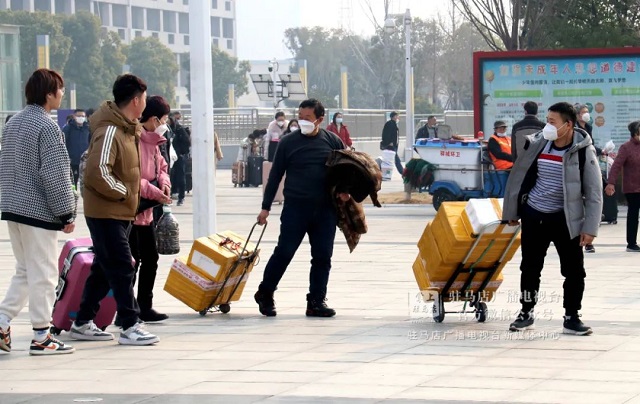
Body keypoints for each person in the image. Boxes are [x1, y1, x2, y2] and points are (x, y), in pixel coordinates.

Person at [69, 74, 160, 346]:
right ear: (136, 100)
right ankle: (131, 324)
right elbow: (98, 172)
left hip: (119, 211)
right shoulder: (110, 130)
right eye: (144, 97)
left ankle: (83, 321)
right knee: (122, 265)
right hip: (106, 210)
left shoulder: (126, 127)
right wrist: (124, 193)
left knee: (104, 267)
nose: (145, 101)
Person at [502, 102, 602, 336]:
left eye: (552, 121)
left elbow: (594, 191)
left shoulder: (583, 149)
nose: (547, 125)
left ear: (568, 125)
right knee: (529, 268)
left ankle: (571, 317)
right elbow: (518, 178)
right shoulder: (537, 144)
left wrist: (590, 228)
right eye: (546, 120)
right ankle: (526, 313)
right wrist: (512, 213)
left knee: (574, 271)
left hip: (566, 220)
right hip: (534, 215)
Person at [0, 68, 77, 355]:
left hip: (12, 208)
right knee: (44, 274)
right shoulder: (47, 127)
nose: (62, 94)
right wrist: (66, 213)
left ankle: (2, 320)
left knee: (24, 270)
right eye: (59, 89)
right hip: (38, 212)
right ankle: (41, 336)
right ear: (48, 94)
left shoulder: (13, 123)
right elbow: (55, 175)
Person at [254, 98, 348, 318]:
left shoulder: (332, 141)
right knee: (284, 252)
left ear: (320, 119)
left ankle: (316, 301)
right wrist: (265, 207)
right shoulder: (288, 142)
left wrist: (345, 191)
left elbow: (345, 169)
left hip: (325, 210)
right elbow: (275, 175)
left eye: (307, 118)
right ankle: (265, 292)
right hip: (296, 209)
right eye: (300, 117)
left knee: (322, 257)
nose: (302, 122)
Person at [128, 95, 172, 323]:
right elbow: (132, 177)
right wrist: (157, 193)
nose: (165, 124)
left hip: (147, 211)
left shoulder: (155, 141)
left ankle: (145, 305)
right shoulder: (134, 139)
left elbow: (162, 167)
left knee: (150, 258)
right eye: (164, 119)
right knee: (131, 261)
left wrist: (164, 184)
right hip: (132, 211)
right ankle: (127, 309)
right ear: (154, 119)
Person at [605, 121, 640, 253]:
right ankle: (631, 243)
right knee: (633, 214)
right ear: (635, 133)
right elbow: (616, 166)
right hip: (633, 187)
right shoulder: (626, 147)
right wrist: (611, 183)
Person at [574, 104, 598, 253]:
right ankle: (580, 239)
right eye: (583, 112)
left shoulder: (588, 127)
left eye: (587, 112)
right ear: (577, 115)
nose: (586, 114)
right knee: (579, 205)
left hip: (588, 167)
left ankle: (588, 241)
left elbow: (590, 146)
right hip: (577, 169)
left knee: (591, 202)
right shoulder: (575, 130)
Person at [63, 109, 91, 188]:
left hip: (85, 161)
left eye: (83, 116)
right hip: (72, 161)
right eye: (79, 116)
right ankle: (72, 198)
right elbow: (63, 143)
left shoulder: (88, 128)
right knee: (72, 182)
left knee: (85, 184)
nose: (81, 118)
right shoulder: (68, 128)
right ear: (74, 116)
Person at [169, 112, 191, 206]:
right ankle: (171, 194)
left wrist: (181, 152)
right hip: (169, 156)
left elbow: (187, 142)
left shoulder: (179, 129)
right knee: (169, 176)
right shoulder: (167, 129)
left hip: (179, 156)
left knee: (180, 176)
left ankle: (181, 197)